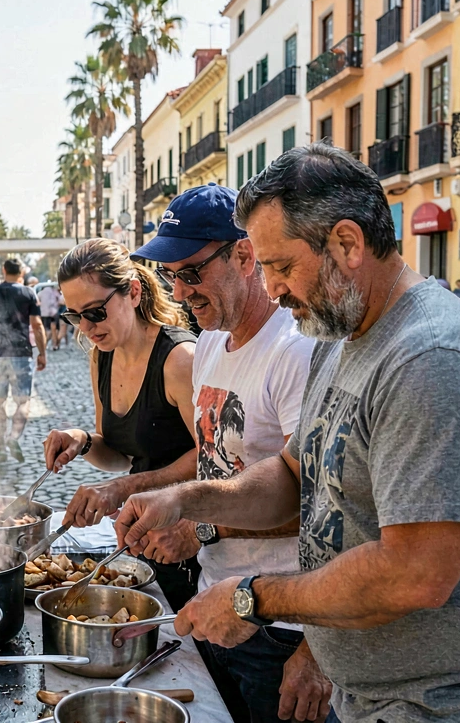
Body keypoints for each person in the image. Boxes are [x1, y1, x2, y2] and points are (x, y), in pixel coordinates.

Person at [116, 143, 460, 723]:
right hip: (375, 695)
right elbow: (293, 473)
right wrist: (186, 497)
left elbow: (414, 572)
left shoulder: (432, 357)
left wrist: (252, 597)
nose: (274, 288)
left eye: (282, 267)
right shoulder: (341, 340)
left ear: (347, 243)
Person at [127, 185, 329, 723]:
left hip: (282, 625)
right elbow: (214, 454)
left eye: (191, 272)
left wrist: (317, 652)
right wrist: (161, 500)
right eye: (169, 274)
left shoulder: (295, 351)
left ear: (243, 256)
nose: (179, 289)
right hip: (214, 602)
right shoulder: (211, 339)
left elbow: (322, 509)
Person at [42, 239, 203, 608]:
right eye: (74, 316)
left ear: (132, 292)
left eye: (95, 312)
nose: (85, 327)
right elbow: (120, 453)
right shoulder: (102, 357)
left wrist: (120, 488)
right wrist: (82, 441)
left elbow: (210, 459)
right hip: (141, 534)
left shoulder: (180, 359)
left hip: (188, 536)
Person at [0, 258, 46, 463]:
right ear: (21, 273)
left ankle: (0, 446)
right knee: (23, 402)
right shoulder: (29, 293)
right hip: (22, 353)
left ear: (4, 270)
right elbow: (38, 325)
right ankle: (13, 437)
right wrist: (42, 353)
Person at [38, 281, 62, 350]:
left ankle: (44, 344)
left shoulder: (41, 293)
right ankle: (54, 344)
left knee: (46, 329)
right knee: (55, 330)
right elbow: (60, 299)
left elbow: (37, 301)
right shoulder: (54, 292)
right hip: (54, 313)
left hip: (44, 314)